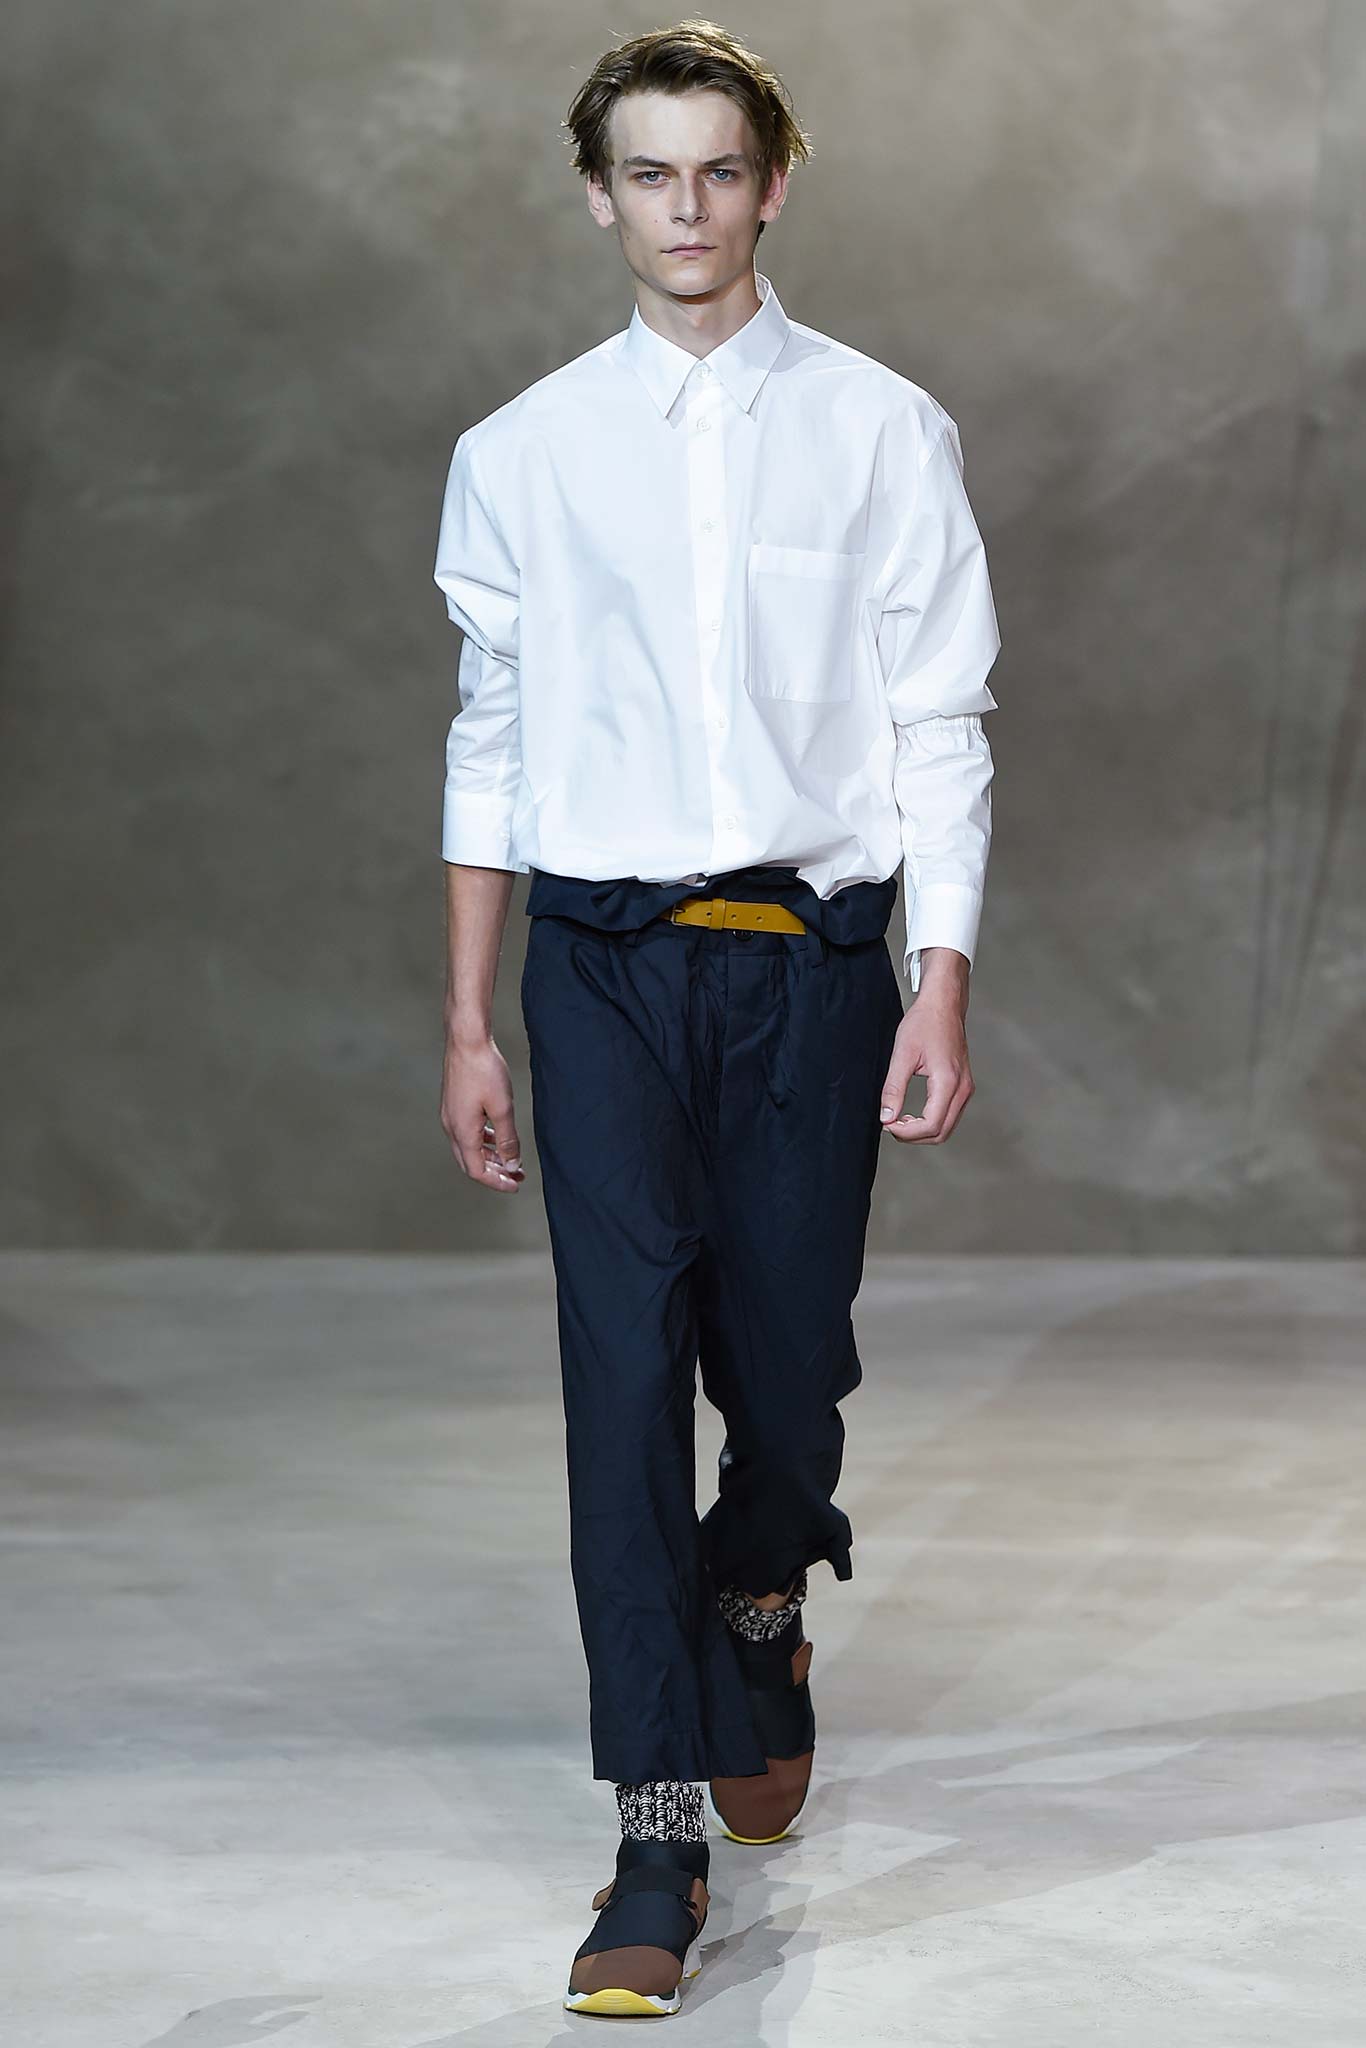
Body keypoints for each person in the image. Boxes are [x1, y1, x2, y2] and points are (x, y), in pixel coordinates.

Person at [434, 17, 1001, 2018]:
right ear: (598, 195)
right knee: (618, 1379)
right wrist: (471, 1019)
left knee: (787, 1362)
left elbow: (937, 717)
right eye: (647, 174)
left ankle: (762, 1577)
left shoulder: (880, 430)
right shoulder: (519, 453)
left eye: (718, 170)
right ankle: (654, 1827)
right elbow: (492, 737)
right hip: (595, 970)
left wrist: (938, 972)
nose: (685, 207)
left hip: (809, 968)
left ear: (771, 184)